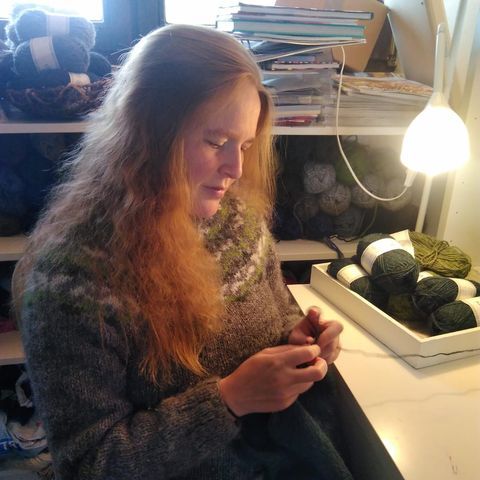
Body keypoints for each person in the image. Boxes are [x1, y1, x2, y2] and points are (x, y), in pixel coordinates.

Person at [13, 24, 348, 480]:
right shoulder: (74, 283)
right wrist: (229, 400)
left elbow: (277, 309)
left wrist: (298, 337)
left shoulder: (237, 220)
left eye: (246, 145)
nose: (236, 168)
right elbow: (88, 464)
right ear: (148, 133)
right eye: (216, 142)